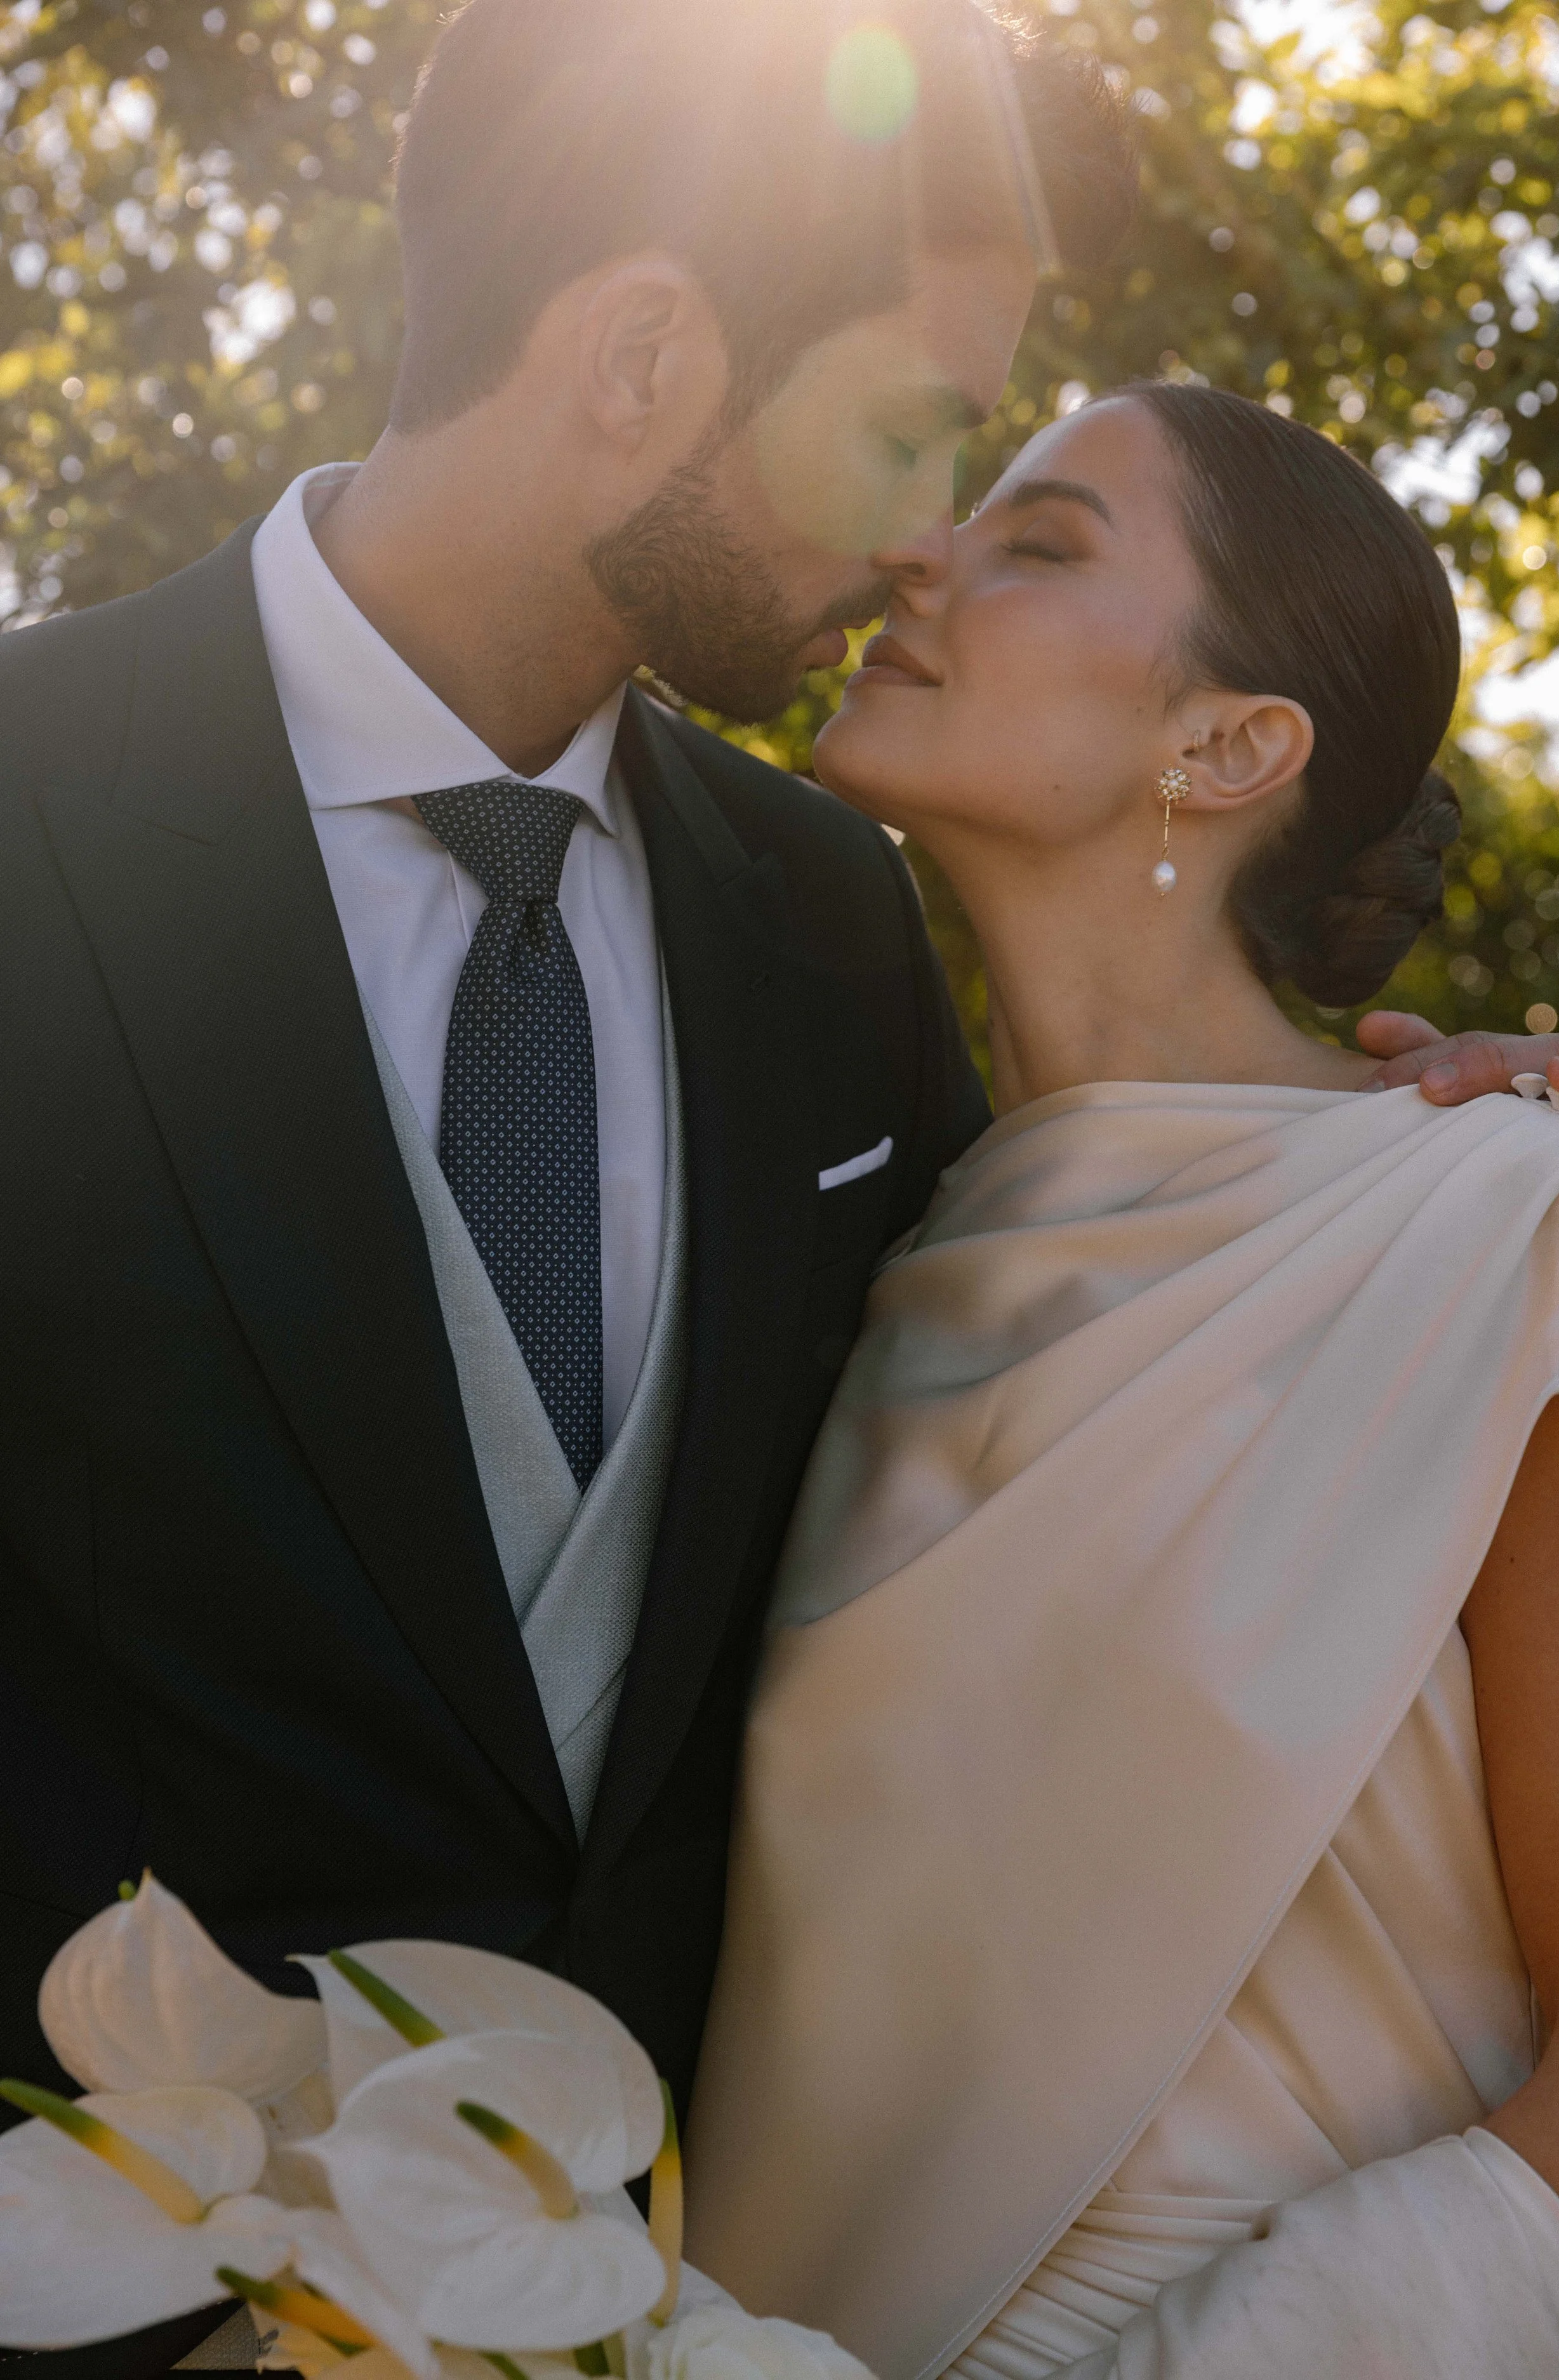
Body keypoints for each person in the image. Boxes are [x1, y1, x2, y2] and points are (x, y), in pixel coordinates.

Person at [0, 8, 1134, 2365]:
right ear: (638, 358)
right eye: (915, 426)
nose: (935, 534)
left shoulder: (830, 912)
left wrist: (1419, 1142)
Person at [684, 384, 1559, 2378]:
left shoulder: (1512, 1230)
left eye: (1044, 540)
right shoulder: (853, 1273)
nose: (924, 556)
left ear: (1228, 743)